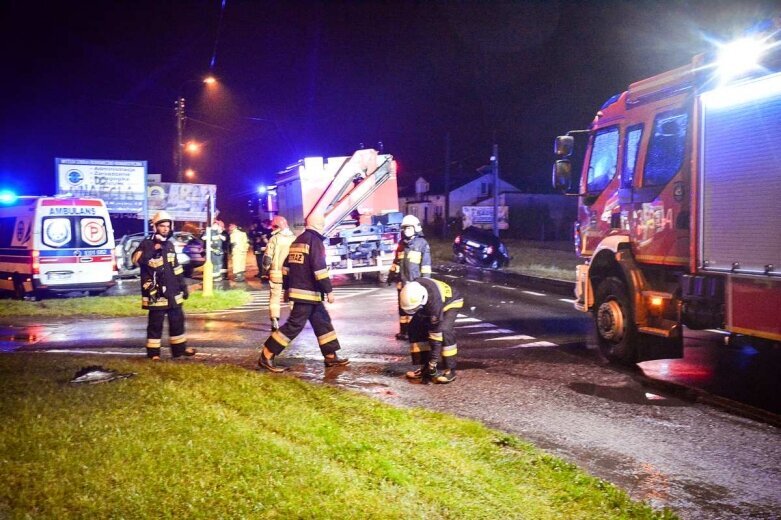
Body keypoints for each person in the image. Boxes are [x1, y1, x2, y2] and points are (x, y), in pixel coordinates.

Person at [257, 212, 349, 372]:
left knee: (322, 321)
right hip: (307, 293)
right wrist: (329, 290)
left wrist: (286, 289)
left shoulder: (297, 241)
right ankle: (267, 354)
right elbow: (319, 269)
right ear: (319, 225)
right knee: (294, 325)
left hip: (304, 293)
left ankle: (330, 356)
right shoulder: (315, 242)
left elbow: (286, 267)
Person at [132, 211, 196, 360]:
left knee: (177, 321)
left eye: (168, 226)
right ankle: (154, 354)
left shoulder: (170, 245)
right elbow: (136, 260)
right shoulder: (147, 243)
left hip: (173, 291)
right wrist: (153, 249)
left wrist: (183, 286)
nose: (166, 229)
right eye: (162, 226)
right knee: (155, 324)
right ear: (155, 227)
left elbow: (177, 268)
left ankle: (179, 350)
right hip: (156, 291)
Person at [399, 277, 463, 384]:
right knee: (414, 327)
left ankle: (450, 371)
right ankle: (425, 369)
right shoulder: (412, 289)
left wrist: (433, 361)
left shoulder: (434, 303)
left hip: (451, 302)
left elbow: (436, 338)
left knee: (445, 331)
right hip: (430, 302)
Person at [388, 215, 431, 340]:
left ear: (416, 228)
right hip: (402, 282)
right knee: (402, 309)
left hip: (415, 283)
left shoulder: (422, 244)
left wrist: (425, 282)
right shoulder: (402, 244)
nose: (406, 230)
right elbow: (396, 261)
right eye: (404, 228)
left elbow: (426, 265)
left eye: (409, 228)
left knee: (414, 309)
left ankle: (415, 332)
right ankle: (404, 332)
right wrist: (391, 274)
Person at [262, 215, 296, 331]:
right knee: (292, 296)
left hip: (276, 273)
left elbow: (267, 258)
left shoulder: (274, 239)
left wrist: (264, 270)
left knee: (275, 297)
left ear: (276, 227)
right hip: (291, 273)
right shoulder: (294, 238)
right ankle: (294, 320)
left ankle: (275, 320)